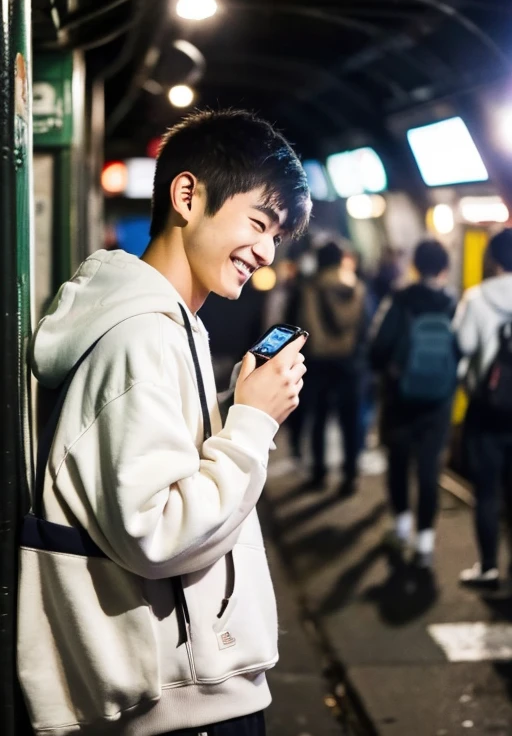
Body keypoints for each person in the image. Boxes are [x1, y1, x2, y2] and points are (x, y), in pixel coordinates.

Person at [21, 109, 311, 736]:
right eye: (258, 223)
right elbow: (157, 532)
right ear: (187, 196)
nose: (264, 251)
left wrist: (240, 408)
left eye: (276, 236)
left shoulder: (163, 322)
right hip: (177, 711)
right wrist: (253, 423)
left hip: (185, 697)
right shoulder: (142, 336)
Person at [370, 238, 458, 569]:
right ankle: (425, 543)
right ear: (445, 268)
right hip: (438, 401)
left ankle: (401, 528)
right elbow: (460, 351)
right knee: (429, 468)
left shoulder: (401, 299)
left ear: (416, 266)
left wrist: (386, 374)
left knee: (398, 462)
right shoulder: (452, 303)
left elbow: (379, 347)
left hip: (400, 398)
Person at [454, 227, 512, 589]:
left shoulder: (476, 299)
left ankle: (488, 566)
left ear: (492, 259)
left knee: (487, 491)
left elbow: (461, 345)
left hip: (486, 411)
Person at [291, 240, 369, 496]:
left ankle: (319, 473)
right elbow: (365, 328)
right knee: (350, 420)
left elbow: (295, 323)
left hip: (318, 361)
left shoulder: (310, 286)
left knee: (319, 419)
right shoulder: (357, 287)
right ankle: (350, 476)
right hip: (349, 363)